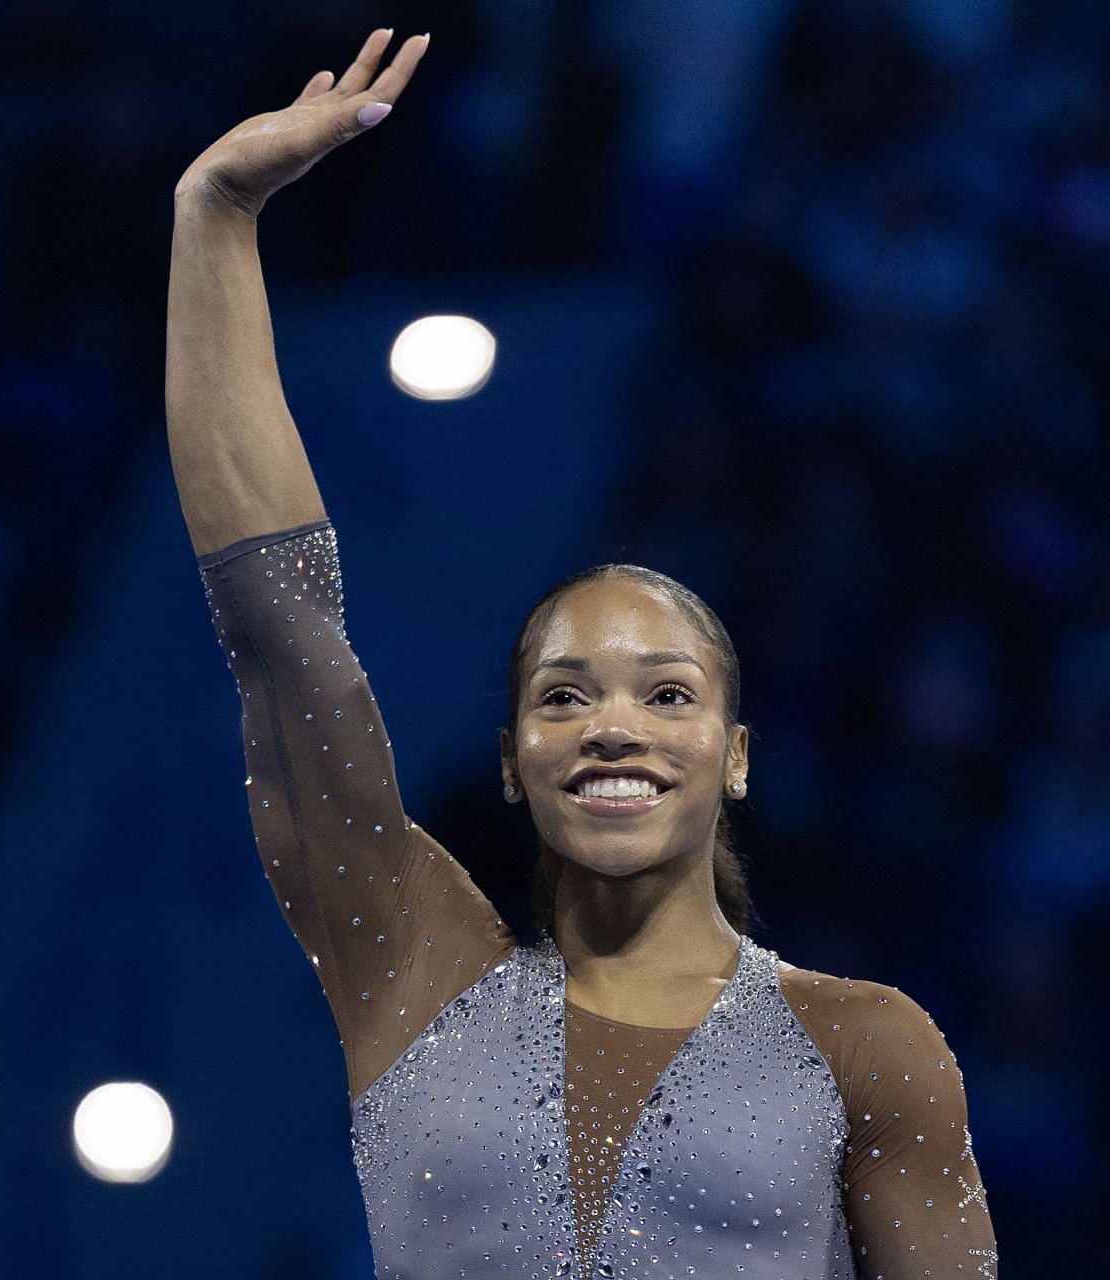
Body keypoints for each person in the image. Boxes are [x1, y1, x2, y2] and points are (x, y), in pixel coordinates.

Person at [167, 28, 998, 1280]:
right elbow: (283, 633)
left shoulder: (865, 1045)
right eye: (567, 694)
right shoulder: (417, 976)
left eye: (667, 692)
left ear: (735, 758)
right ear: (512, 761)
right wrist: (215, 212)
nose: (615, 723)